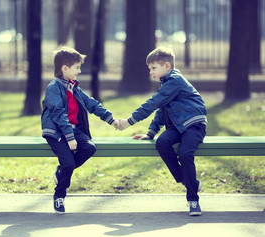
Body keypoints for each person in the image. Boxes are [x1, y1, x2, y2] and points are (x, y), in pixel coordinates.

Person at [117, 46, 207, 216]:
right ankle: (190, 182)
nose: (151, 72)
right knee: (162, 142)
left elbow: (154, 103)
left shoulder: (175, 80)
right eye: (149, 69)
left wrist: (129, 121)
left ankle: (193, 199)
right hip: (177, 127)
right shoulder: (167, 83)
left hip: (193, 125)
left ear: (166, 66)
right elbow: (161, 109)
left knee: (186, 154)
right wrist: (151, 133)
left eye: (153, 68)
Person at [41, 46, 118, 214]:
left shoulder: (73, 87)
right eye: (77, 67)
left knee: (89, 148)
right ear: (65, 68)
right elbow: (58, 113)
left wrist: (110, 119)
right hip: (56, 131)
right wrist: (69, 137)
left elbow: (92, 104)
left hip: (73, 130)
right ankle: (59, 195)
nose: (79, 71)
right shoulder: (54, 88)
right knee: (68, 162)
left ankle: (61, 172)